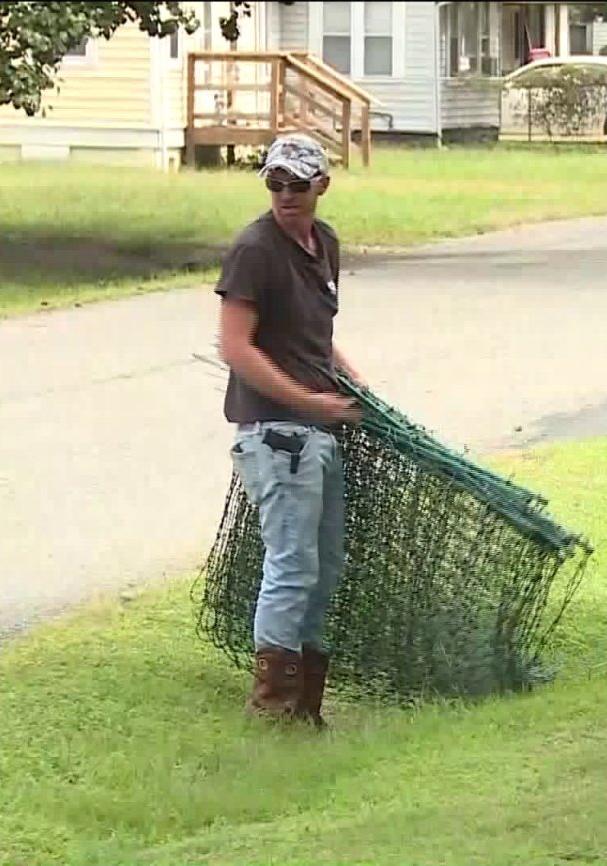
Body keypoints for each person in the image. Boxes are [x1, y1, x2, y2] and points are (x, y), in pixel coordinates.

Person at [215, 133, 365, 726]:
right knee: (291, 565)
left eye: (297, 185)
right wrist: (309, 402)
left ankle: (308, 709)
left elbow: (318, 341)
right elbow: (233, 347)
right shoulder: (254, 249)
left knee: (324, 569)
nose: (284, 196)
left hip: (319, 432)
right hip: (276, 436)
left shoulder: (323, 243)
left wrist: (354, 385)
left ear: (321, 186)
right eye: (274, 184)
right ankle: (272, 711)